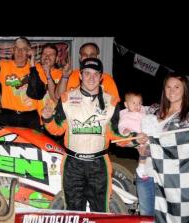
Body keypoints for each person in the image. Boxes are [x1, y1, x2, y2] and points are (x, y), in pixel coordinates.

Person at [41, 58, 141, 212]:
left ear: (101, 77)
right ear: (80, 75)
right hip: (73, 163)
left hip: (98, 164)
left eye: (96, 74)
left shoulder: (111, 102)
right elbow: (57, 130)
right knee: (73, 208)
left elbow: (115, 135)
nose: (91, 78)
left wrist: (136, 138)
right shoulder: (67, 98)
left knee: (100, 209)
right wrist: (47, 118)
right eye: (87, 73)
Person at [135, 72, 188, 223]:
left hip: (172, 177)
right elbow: (148, 148)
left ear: (185, 91)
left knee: (169, 220)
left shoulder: (186, 118)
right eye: (168, 87)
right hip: (146, 170)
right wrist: (142, 148)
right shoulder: (154, 113)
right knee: (149, 219)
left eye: (177, 87)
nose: (172, 91)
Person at [0, 32, 46, 130]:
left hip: (30, 117)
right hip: (8, 115)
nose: (20, 52)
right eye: (17, 48)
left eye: (24, 49)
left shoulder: (37, 68)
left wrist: (33, 64)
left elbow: (37, 93)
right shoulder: (4, 65)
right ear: (13, 50)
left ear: (29, 51)